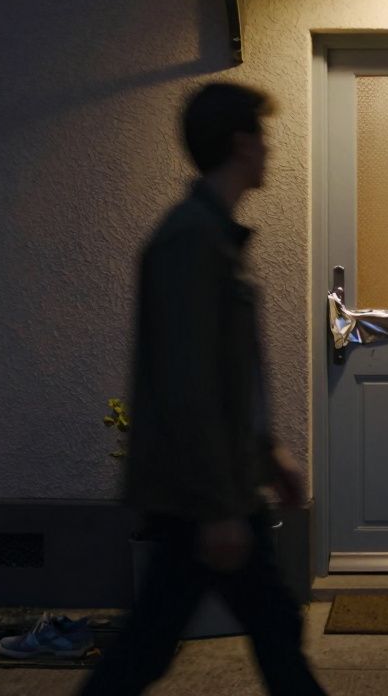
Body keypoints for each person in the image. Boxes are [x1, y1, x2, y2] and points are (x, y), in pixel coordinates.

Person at [82, 83, 325, 696]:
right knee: (158, 648)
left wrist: (270, 453)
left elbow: (228, 373)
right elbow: (188, 384)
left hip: (217, 485)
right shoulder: (190, 240)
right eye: (263, 136)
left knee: (251, 630)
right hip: (200, 494)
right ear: (241, 143)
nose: (270, 149)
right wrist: (221, 507)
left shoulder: (213, 235)